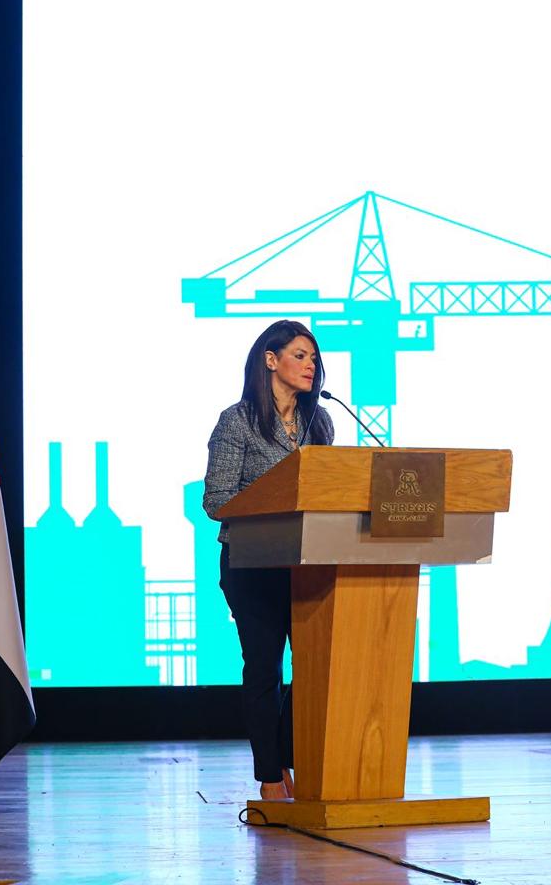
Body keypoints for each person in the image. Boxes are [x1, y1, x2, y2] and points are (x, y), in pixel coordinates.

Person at [203, 320, 334, 801]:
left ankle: (290, 756)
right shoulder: (237, 421)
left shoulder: (321, 422)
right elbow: (217, 500)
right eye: (300, 355)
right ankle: (271, 775)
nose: (310, 365)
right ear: (271, 359)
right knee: (264, 669)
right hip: (252, 565)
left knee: (316, 665)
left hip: (307, 564)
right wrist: (273, 503)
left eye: (313, 358)